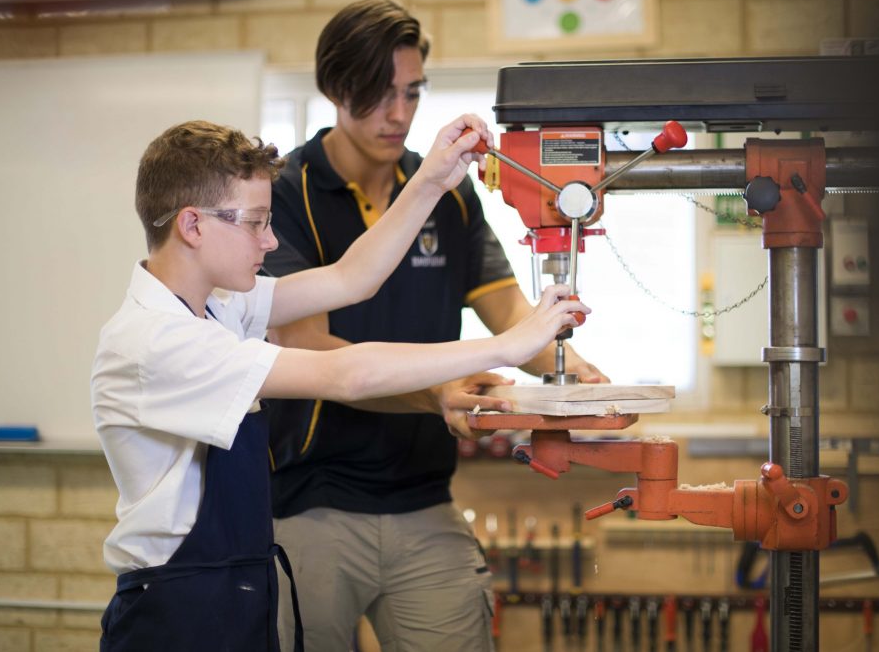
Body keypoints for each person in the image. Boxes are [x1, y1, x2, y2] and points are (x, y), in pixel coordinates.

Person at [91, 117, 588, 652]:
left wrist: (431, 180)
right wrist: (508, 346)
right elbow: (346, 376)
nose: (272, 239)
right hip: (177, 609)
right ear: (192, 225)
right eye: (256, 222)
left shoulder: (217, 304)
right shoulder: (159, 342)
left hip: (229, 585)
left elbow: (352, 278)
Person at [263, 0, 606, 651]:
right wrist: (437, 393)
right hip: (312, 500)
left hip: (426, 495)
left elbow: (507, 308)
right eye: (378, 95)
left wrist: (574, 370)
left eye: (412, 93)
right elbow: (307, 348)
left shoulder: (448, 189)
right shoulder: (284, 195)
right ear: (334, 88)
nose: (399, 115)